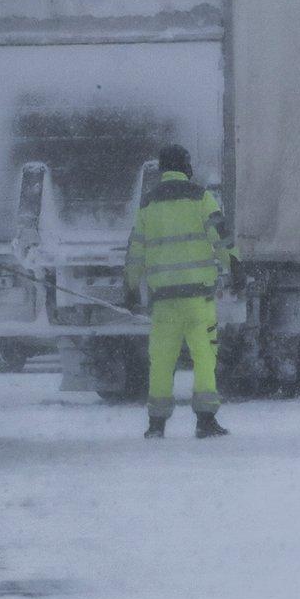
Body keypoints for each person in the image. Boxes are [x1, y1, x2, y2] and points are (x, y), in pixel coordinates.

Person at [125, 144, 237, 439]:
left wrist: (131, 286)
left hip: (164, 302)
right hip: (198, 300)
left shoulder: (148, 205)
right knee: (204, 357)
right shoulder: (201, 198)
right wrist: (236, 267)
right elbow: (222, 239)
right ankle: (205, 420)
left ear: (162, 169)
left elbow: (135, 251)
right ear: (186, 167)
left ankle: (156, 423)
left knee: (161, 360)